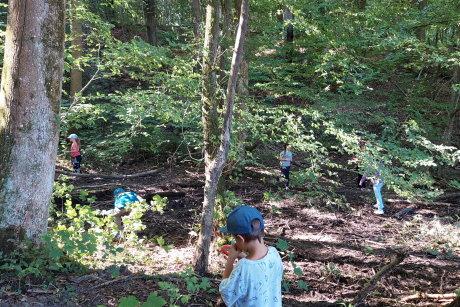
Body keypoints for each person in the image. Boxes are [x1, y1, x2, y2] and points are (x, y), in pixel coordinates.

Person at [219, 205, 283, 307]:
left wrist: (231, 259)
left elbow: (226, 294)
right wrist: (243, 256)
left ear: (240, 239)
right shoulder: (274, 254)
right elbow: (259, 271)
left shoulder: (243, 267)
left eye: (235, 239)